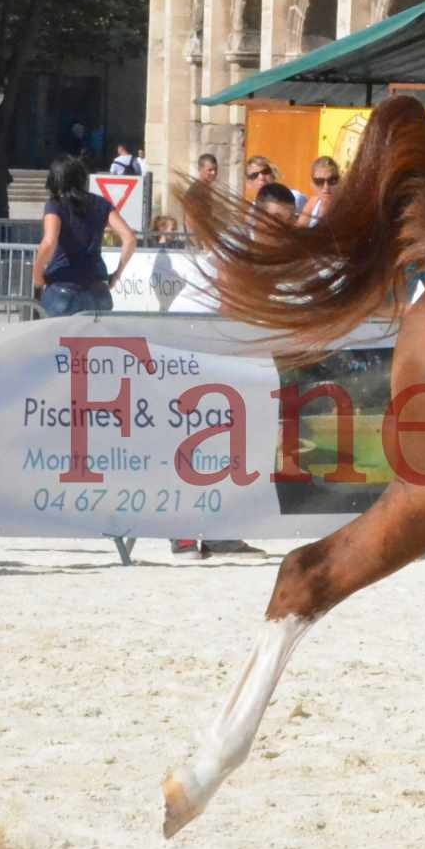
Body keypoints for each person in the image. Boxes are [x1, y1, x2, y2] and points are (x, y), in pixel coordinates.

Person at [168, 186, 286, 559]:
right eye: (276, 220)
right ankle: (183, 532)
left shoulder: (275, 253)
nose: (283, 228)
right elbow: (233, 298)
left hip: (230, 346)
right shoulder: (238, 246)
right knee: (193, 439)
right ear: (257, 216)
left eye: (289, 221)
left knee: (236, 442)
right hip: (192, 342)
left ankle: (222, 533)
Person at [31, 155, 137, 316]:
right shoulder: (102, 203)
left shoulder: (55, 205)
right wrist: (117, 274)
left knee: (52, 340)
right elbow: (129, 238)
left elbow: (49, 241)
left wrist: (37, 275)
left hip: (63, 287)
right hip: (98, 290)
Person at [243, 156, 307, 215]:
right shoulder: (252, 212)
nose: (261, 177)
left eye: (265, 171)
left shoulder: (297, 198)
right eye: (254, 175)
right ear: (248, 183)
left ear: (273, 174)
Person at [299, 156, 341, 228]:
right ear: (312, 185)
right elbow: (298, 231)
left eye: (332, 180)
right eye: (319, 182)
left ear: (340, 181)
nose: (326, 187)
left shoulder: (347, 206)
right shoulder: (313, 203)